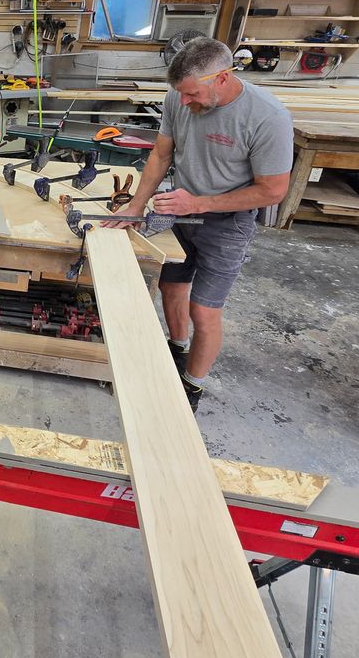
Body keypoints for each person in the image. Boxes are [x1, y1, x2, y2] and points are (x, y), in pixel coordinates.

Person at [104, 37, 293, 410]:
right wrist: (136, 206)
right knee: (171, 287)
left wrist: (199, 203)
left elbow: (273, 191)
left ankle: (192, 386)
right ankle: (177, 349)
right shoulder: (179, 96)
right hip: (180, 210)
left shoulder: (268, 117)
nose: (184, 102)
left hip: (227, 224)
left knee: (204, 311)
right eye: (181, 94)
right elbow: (161, 154)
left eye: (192, 94)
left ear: (222, 77)